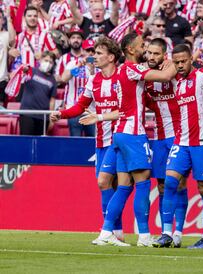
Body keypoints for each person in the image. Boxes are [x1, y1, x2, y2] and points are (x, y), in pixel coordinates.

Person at [80, 32, 177, 247]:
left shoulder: (125, 71)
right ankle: (143, 236)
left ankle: (106, 232)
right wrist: (170, 64)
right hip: (133, 133)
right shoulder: (132, 69)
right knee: (143, 182)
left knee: (124, 186)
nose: (145, 50)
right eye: (142, 46)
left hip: (120, 132)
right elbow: (164, 77)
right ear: (131, 50)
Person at [50, 37, 129, 246]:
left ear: (111, 57)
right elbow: (81, 105)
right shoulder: (93, 80)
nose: (94, 56)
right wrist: (62, 113)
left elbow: (126, 110)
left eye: (99, 53)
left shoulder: (122, 78)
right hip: (101, 140)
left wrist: (100, 117)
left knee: (104, 182)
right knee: (107, 185)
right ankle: (117, 232)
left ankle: (107, 231)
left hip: (119, 138)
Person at [153, 44, 203, 249]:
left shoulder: (202, 75)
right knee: (169, 183)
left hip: (202, 142)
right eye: (177, 62)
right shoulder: (177, 82)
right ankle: (167, 233)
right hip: (181, 142)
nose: (181, 65)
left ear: (191, 59)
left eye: (184, 61)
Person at [144, 38, 188, 248]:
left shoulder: (175, 70)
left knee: (178, 182)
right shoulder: (146, 76)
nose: (151, 57)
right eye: (149, 53)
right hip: (159, 136)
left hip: (179, 134)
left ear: (164, 55)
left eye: (156, 54)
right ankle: (166, 232)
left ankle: (178, 231)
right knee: (161, 184)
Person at [56, 28, 96, 137]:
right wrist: (78, 66)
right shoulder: (73, 63)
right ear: (83, 51)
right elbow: (64, 78)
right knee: (75, 141)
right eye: (88, 51)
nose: (90, 54)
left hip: (91, 111)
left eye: (93, 51)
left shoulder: (99, 67)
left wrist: (92, 70)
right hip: (74, 109)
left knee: (93, 143)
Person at [20, 51, 57, 135]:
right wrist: (24, 69)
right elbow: (22, 72)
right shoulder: (31, 71)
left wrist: (51, 118)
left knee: (39, 143)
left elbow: (52, 100)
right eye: (46, 60)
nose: (48, 63)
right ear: (40, 60)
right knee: (26, 142)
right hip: (27, 114)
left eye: (50, 62)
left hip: (43, 116)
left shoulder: (52, 80)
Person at [0, 8, 15, 106]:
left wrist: (9, 19)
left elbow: (13, 39)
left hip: (1, 78)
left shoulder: (5, 35)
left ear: (2, 20)